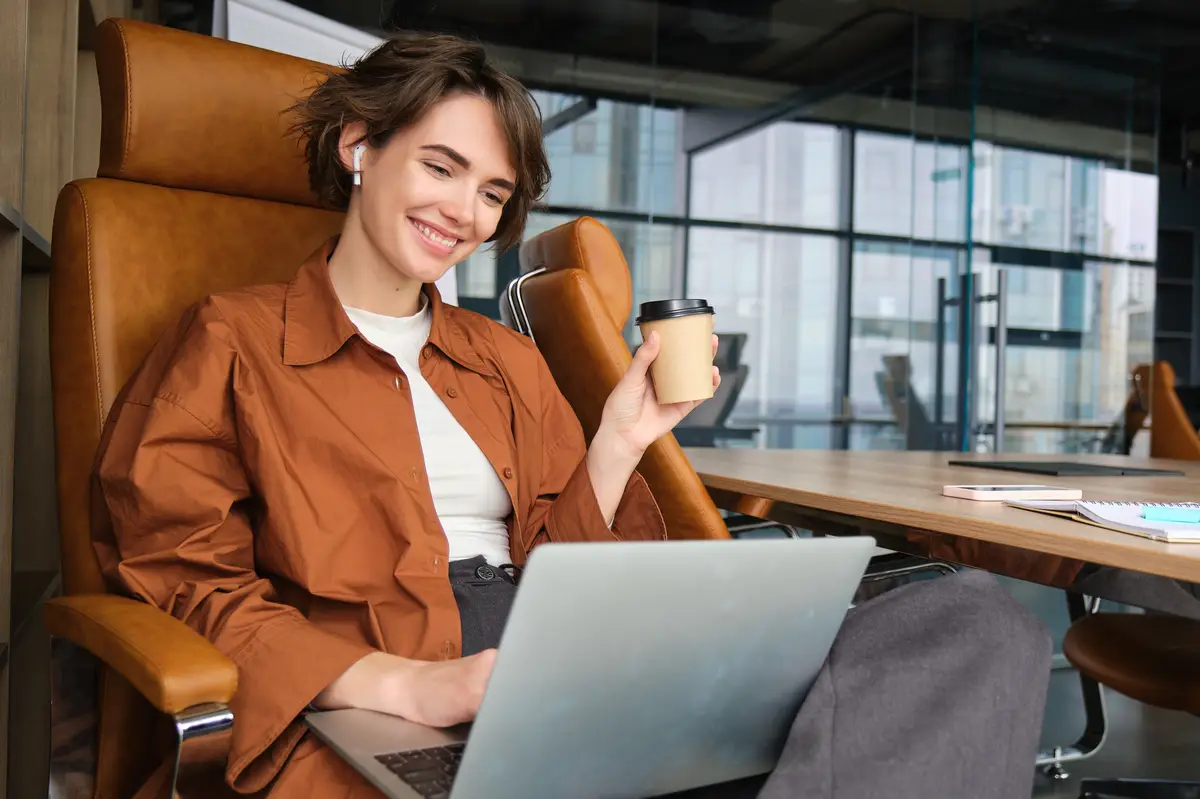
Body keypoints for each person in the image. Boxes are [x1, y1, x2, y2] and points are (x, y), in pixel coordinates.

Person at [92, 31, 1052, 799]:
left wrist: (622, 437)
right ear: (359, 147)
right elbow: (181, 576)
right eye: (440, 166)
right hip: (387, 673)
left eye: (492, 191)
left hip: (557, 641)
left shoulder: (502, 356)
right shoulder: (235, 339)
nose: (465, 210)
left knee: (975, 621)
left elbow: (562, 549)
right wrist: (403, 683)